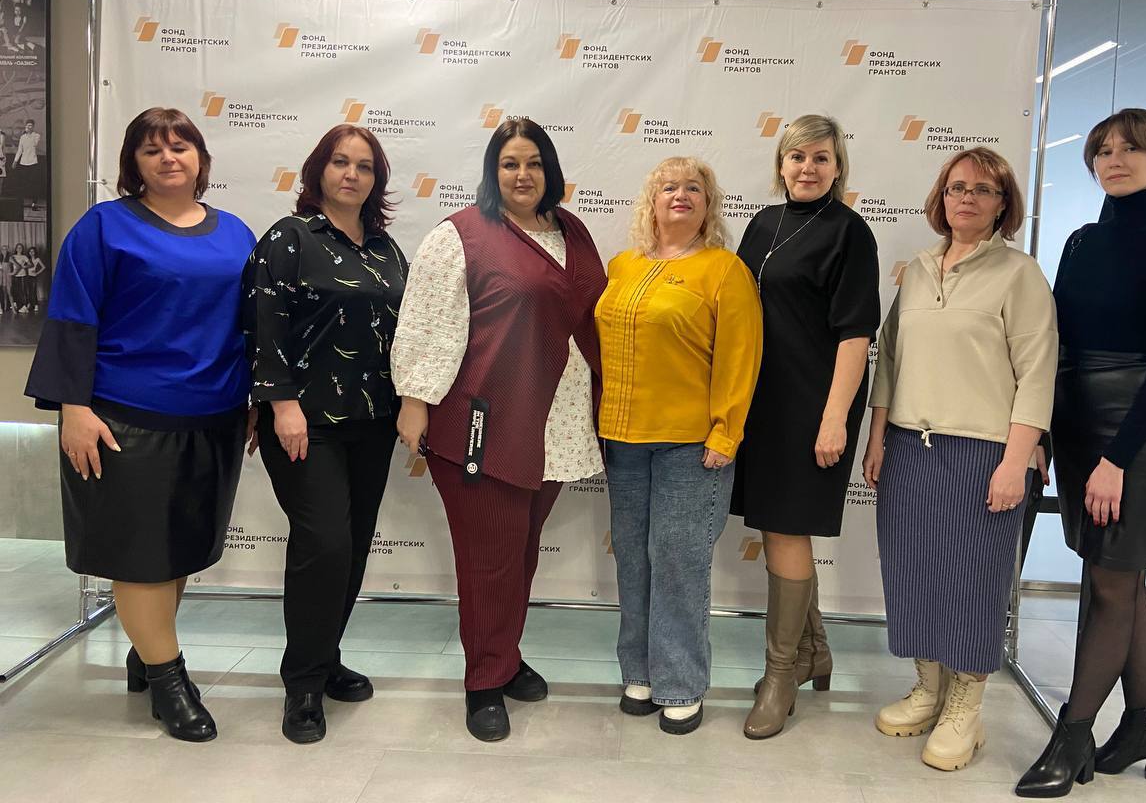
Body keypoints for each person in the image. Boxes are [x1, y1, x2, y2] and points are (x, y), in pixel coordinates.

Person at [24, 107, 256, 741]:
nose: (168, 158)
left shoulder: (236, 233)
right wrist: (73, 408)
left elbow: (254, 326)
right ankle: (171, 683)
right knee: (141, 558)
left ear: (201, 159)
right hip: (125, 421)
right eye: (152, 150)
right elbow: (72, 317)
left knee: (177, 549)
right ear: (133, 164)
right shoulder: (104, 227)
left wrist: (259, 401)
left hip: (215, 415)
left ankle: (146, 653)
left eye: (181, 147)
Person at [1016, 109, 1146, 797]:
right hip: (1076, 422)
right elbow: (1055, 343)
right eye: (1103, 150)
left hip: (1139, 431)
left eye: (1130, 148)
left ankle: (1071, 736)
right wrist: (1043, 431)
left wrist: (1118, 459)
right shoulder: (1081, 241)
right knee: (1119, 578)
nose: (1115, 159)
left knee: (1109, 583)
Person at [391, 118, 606, 743]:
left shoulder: (571, 230)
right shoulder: (461, 235)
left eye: (534, 162)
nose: (522, 174)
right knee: (487, 559)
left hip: (558, 424)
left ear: (550, 170)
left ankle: (505, 658)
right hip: (485, 423)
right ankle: (483, 682)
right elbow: (426, 322)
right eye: (509, 163)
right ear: (492, 172)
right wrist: (414, 401)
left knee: (520, 551)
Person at [863, 147, 1057, 772]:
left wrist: (1016, 461)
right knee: (913, 571)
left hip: (983, 452)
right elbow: (889, 359)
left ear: (1003, 205)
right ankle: (929, 687)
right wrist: (876, 437)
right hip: (908, 446)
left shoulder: (1020, 274)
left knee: (974, 579)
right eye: (956, 188)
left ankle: (965, 707)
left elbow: (1037, 373)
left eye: (982, 189)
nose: (966, 198)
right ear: (940, 198)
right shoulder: (918, 271)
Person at [243, 124, 408, 745]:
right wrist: (280, 404)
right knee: (325, 544)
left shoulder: (387, 250)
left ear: (376, 180)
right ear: (318, 171)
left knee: (354, 546)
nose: (352, 174)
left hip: (374, 423)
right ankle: (304, 685)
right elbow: (263, 324)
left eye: (364, 166)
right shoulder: (289, 239)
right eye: (340, 162)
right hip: (305, 424)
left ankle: (326, 655)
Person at [596, 156, 763, 735]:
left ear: (708, 204)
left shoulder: (724, 270)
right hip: (623, 439)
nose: (681, 195)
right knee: (634, 559)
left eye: (694, 187)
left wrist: (726, 431)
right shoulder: (623, 265)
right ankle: (639, 672)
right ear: (653, 199)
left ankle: (681, 683)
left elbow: (741, 356)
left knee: (677, 562)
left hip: (691, 445)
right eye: (669, 186)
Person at [731, 114, 880, 739]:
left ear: (838, 166)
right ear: (781, 164)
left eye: (821, 157)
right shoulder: (762, 223)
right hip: (762, 402)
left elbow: (856, 335)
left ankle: (780, 675)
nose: (808, 168)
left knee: (787, 529)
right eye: (797, 157)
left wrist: (835, 419)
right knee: (777, 528)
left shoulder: (849, 231)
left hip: (816, 403)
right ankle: (812, 651)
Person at [9, 242, 30, 312]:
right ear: (16, 249)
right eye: (18, 247)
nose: (19, 249)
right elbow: (9, 265)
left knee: (23, 290)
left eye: (20, 248)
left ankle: (24, 306)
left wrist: (25, 266)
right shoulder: (13, 256)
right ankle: (18, 305)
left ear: (22, 249)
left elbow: (30, 264)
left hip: (22, 275)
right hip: (15, 275)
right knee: (15, 290)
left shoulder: (24, 257)